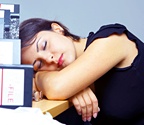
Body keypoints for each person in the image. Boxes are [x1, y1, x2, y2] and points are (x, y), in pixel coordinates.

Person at [20, 18, 144, 125]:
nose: (49, 58)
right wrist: (73, 88)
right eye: (39, 64)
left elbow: (57, 87)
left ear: (57, 29)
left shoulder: (112, 39)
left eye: (44, 45)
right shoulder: (70, 79)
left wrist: (39, 75)